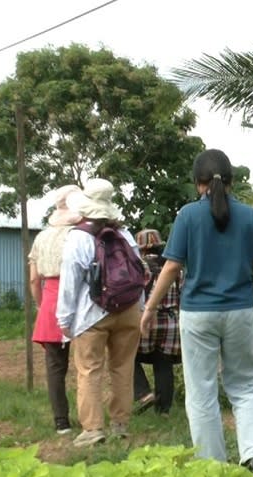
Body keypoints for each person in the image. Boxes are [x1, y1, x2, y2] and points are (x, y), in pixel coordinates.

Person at [140, 149, 253, 477]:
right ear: (230, 181)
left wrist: (149, 308)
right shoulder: (249, 216)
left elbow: (172, 266)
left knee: (201, 389)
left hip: (198, 314)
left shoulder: (188, 216)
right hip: (239, 311)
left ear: (197, 183)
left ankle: (212, 465)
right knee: (245, 385)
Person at [57, 178, 142, 447]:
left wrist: (64, 319)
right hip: (129, 310)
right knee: (123, 368)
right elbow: (139, 273)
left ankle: (93, 429)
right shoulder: (125, 235)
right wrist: (140, 308)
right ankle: (120, 424)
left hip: (92, 313)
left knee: (90, 369)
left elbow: (70, 283)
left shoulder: (78, 237)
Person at [28, 186, 82, 435]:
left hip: (50, 301)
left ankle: (61, 422)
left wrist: (42, 305)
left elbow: (33, 279)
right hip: (81, 300)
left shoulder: (42, 238)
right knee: (88, 364)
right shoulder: (80, 234)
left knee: (55, 367)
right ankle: (90, 419)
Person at [133, 228, 181, 416]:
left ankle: (143, 392)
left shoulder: (137, 266)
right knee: (164, 363)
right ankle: (164, 411)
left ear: (141, 249)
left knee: (128, 357)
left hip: (145, 319)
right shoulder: (174, 266)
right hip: (170, 322)